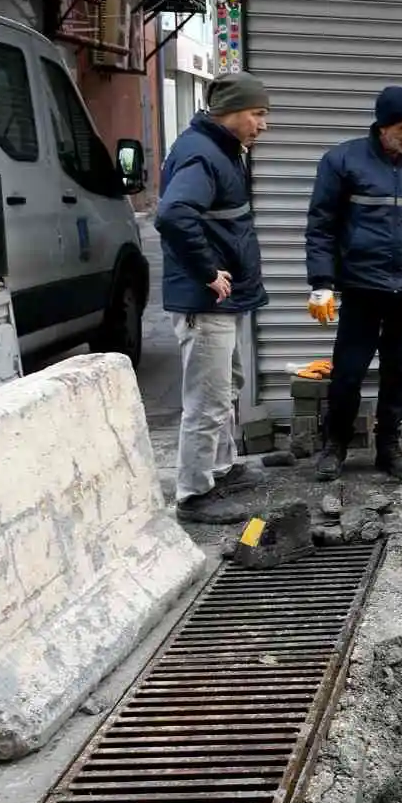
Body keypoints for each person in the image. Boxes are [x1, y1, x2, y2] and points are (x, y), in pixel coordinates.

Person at [304, 86, 402, 483]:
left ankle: (389, 447)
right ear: (382, 127)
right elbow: (321, 227)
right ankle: (334, 445)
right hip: (361, 288)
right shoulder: (343, 161)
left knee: (399, 371)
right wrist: (322, 283)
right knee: (348, 372)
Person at [156, 71, 272, 524]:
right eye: (257, 114)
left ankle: (220, 470)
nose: (263, 124)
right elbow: (173, 214)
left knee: (227, 389)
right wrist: (207, 272)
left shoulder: (223, 150)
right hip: (205, 304)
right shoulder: (202, 154)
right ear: (230, 113)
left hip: (225, 300)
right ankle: (194, 493)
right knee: (206, 399)